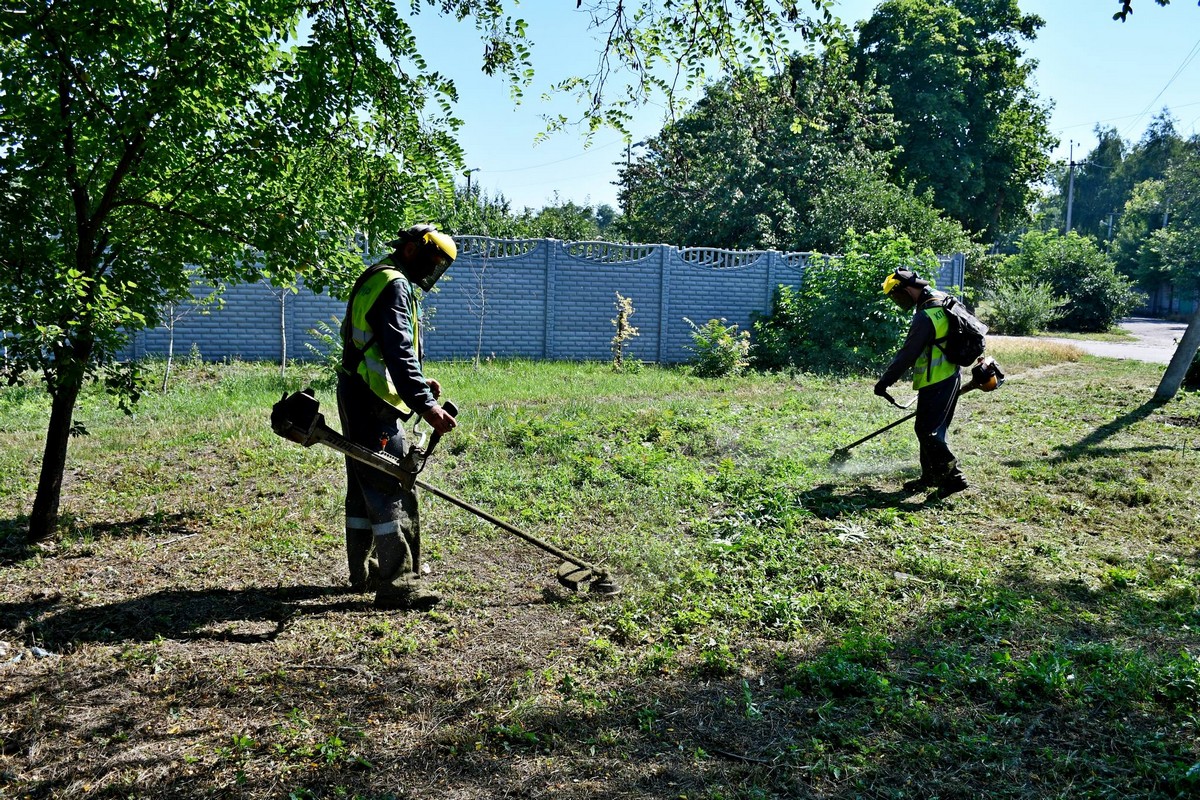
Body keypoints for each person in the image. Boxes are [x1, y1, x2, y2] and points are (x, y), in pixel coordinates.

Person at [338, 224, 458, 610]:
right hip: (372, 401)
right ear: (411, 250)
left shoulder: (377, 275)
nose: (433, 270)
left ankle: (364, 571)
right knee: (392, 485)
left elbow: (374, 345)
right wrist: (426, 404)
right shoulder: (395, 285)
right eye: (433, 260)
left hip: (357, 393)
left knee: (363, 484)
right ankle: (398, 585)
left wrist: (420, 382)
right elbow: (398, 351)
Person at [874, 268, 970, 499]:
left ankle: (954, 477)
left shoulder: (925, 315)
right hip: (951, 374)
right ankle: (930, 476)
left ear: (906, 289)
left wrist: (885, 382)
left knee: (927, 431)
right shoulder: (940, 298)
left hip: (937, 378)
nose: (897, 301)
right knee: (932, 429)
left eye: (896, 296)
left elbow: (908, 354)